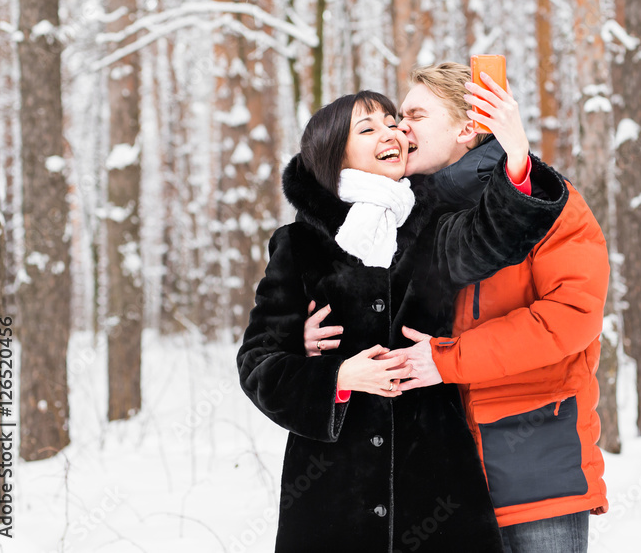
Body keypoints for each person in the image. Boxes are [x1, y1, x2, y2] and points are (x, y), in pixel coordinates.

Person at [236, 89, 568, 552]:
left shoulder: (434, 224)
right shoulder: (300, 244)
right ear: (335, 153)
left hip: (437, 488)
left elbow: (497, 237)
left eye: (392, 122)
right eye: (368, 128)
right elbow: (258, 363)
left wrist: (515, 155)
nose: (391, 132)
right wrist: (338, 376)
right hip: (332, 497)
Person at [385, 63, 610, 552]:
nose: (400, 127)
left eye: (416, 114)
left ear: (468, 127)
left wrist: (449, 359)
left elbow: (571, 317)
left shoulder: (546, 202)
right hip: (443, 483)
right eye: (398, 116)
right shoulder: (401, 216)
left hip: (537, 469)